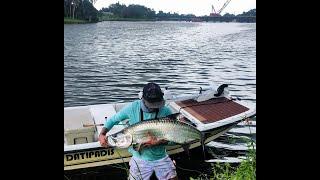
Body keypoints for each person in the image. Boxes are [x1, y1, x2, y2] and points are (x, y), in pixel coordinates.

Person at [99, 82, 178, 180]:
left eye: (157, 104)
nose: (155, 107)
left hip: (160, 156)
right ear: (143, 99)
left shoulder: (166, 111)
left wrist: (160, 142)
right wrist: (102, 134)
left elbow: (174, 138)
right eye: (152, 104)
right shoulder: (132, 107)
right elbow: (113, 120)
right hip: (139, 158)